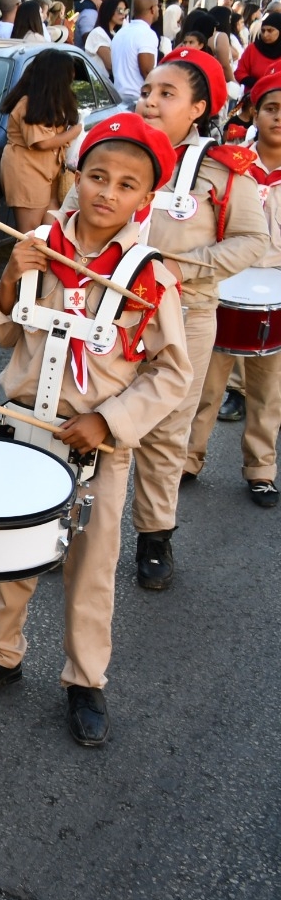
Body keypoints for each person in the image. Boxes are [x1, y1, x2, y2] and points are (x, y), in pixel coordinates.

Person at [0, 116, 191, 746]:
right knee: (12, 556)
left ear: (146, 198)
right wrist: (7, 279)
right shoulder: (38, 245)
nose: (108, 193)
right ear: (75, 176)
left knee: (92, 565)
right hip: (28, 429)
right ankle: (1, 655)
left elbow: (171, 374)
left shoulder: (149, 276)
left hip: (99, 450)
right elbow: (5, 332)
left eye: (127, 184)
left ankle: (86, 679)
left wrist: (109, 421)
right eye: (97, 176)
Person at [84, 48, 269, 587]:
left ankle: (154, 537)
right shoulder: (118, 152)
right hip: (106, 313)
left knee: (166, 430)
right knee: (93, 420)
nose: (150, 100)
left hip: (184, 314)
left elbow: (253, 240)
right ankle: (73, 528)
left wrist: (180, 271)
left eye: (167, 94)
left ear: (199, 108)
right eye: (147, 91)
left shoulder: (223, 169)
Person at [184, 70, 281, 507]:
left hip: (275, 295)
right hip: (223, 288)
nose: (279, 118)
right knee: (207, 384)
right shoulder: (230, 167)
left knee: (268, 391)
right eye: (272, 109)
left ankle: (261, 467)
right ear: (253, 113)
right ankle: (188, 457)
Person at [0, 49, 83, 232]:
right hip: (27, 171)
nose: (74, 75)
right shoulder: (27, 103)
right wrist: (75, 132)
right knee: (30, 233)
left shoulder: (53, 101)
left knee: (50, 231)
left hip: (50, 173)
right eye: (70, 71)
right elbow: (41, 143)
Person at [112, 0, 160, 100]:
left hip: (117, 98)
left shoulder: (121, 32)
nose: (159, 9)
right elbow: (147, 71)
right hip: (137, 98)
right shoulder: (147, 33)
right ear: (152, 9)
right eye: (158, 6)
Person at [84, 0, 128, 77]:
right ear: (109, 10)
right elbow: (111, 65)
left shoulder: (115, 33)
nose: (123, 15)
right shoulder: (98, 33)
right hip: (99, 84)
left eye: (125, 10)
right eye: (120, 10)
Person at [234, 13, 281, 87]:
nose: (265, 35)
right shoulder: (253, 49)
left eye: (270, 31)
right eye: (263, 31)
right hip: (254, 93)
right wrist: (254, 83)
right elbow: (239, 72)